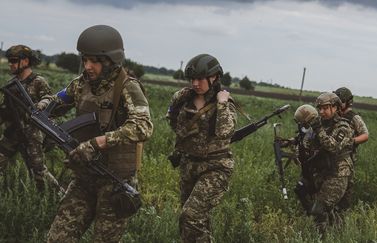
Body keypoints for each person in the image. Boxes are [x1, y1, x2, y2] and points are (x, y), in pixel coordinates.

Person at [37, 25, 153, 242]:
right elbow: (57, 100)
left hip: (115, 180)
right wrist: (43, 106)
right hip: (84, 177)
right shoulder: (81, 84)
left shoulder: (128, 87)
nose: (87, 66)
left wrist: (98, 143)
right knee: (57, 238)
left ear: (110, 60)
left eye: (94, 61)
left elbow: (143, 126)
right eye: (85, 60)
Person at [166, 54, 237, 242]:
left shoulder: (225, 103)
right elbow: (173, 120)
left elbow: (225, 131)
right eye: (192, 79)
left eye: (200, 79)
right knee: (194, 221)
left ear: (213, 77)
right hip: (189, 165)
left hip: (215, 168)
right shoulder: (184, 99)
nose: (195, 83)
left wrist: (222, 104)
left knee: (190, 216)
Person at [0, 44, 56, 191]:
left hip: (32, 134)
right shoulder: (10, 85)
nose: (10, 64)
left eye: (13, 60)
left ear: (25, 61)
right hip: (13, 133)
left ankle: (59, 196)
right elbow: (4, 111)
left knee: (38, 173)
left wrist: (41, 104)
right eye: (9, 61)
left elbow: (50, 99)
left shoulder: (38, 81)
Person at [294, 93, 354, 232]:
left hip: (338, 173)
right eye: (319, 108)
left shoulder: (343, 127)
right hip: (321, 172)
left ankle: (320, 236)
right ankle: (337, 233)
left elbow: (332, 146)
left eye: (325, 108)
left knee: (319, 209)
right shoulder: (316, 126)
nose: (321, 112)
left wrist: (318, 129)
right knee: (306, 195)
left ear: (335, 107)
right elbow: (306, 144)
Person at [333, 87, 369, 210]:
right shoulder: (334, 115)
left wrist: (351, 142)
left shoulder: (353, 117)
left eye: (340, 102)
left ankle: (342, 216)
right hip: (332, 156)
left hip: (347, 158)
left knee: (346, 190)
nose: (338, 105)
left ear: (348, 102)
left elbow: (365, 135)